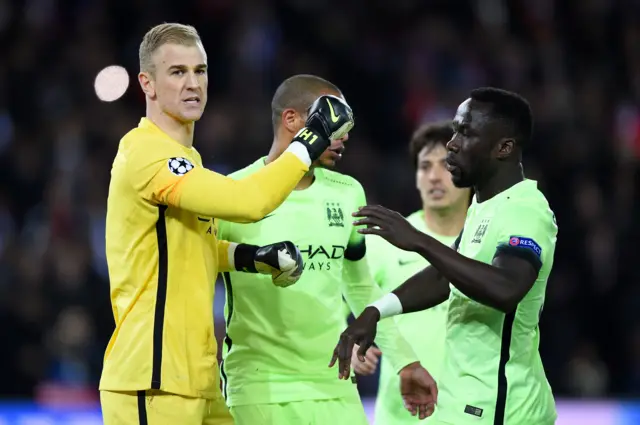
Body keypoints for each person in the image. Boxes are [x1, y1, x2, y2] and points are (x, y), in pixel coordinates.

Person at [98, 24, 354, 425]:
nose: (192, 83)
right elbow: (248, 203)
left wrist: (253, 257)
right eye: (177, 72)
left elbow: (193, 244)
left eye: (199, 71)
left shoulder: (187, 159)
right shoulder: (145, 153)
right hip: (152, 377)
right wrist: (312, 138)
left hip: (197, 376)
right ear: (146, 83)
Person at [217, 74, 437, 425]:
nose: (344, 134)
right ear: (292, 120)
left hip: (335, 383)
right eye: (334, 118)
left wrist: (406, 361)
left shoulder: (347, 192)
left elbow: (360, 286)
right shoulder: (232, 193)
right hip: (260, 387)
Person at [333, 87, 558, 425]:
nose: (452, 143)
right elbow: (443, 277)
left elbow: (506, 289)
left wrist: (419, 242)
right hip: (464, 403)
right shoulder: (484, 207)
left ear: (504, 147)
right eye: (455, 130)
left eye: (465, 132)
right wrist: (375, 311)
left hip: (504, 408)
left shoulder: (526, 210)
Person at [350, 121, 470, 424]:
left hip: (473, 413)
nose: (433, 176)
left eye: (446, 165)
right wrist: (347, 345)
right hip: (402, 414)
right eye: (424, 166)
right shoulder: (387, 241)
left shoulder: (487, 240)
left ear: (469, 172)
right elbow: (334, 305)